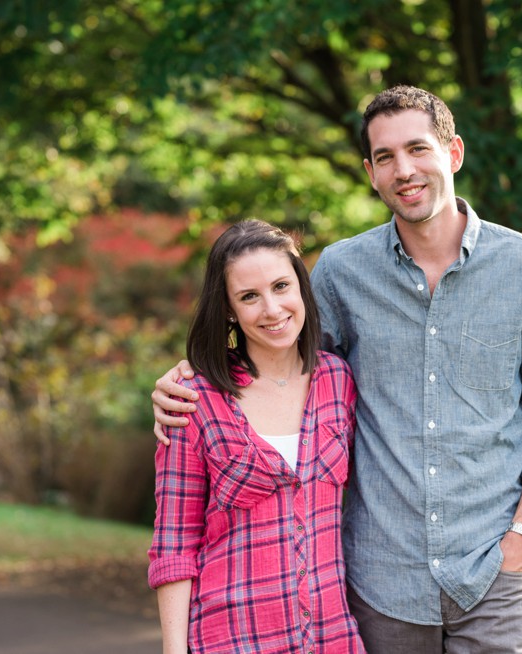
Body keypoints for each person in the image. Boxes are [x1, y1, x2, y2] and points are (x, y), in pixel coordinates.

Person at [152, 86, 522, 653]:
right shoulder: (340, 272)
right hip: (380, 584)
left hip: (494, 576)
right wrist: (192, 375)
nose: (404, 170)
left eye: (418, 149)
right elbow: (281, 354)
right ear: (370, 173)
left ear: (453, 152)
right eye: (385, 157)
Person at [147, 219, 365, 654]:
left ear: (302, 288)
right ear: (228, 309)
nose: (272, 308)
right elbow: (174, 542)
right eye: (249, 296)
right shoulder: (193, 399)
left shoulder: (338, 380)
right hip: (234, 638)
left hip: (332, 637)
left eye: (282, 286)